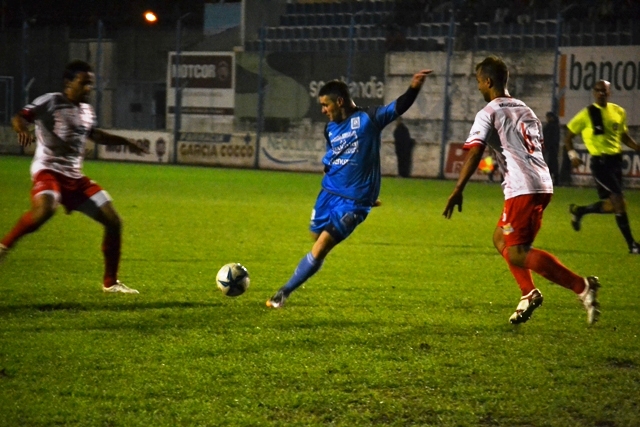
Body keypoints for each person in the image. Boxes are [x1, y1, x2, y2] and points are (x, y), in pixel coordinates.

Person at [442, 56, 600, 325]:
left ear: (488, 81)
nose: (478, 87)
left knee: (518, 251)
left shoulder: (488, 112)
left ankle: (582, 286)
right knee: (500, 238)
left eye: (478, 81)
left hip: (522, 188)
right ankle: (528, 292)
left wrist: (458, 189)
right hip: (542, 182)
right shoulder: (527, 110)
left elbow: (475, 151)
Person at [266, 69, 433, 308]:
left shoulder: (369, 119)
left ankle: (283, 293)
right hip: (328, 194)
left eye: (325, 105)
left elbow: (399, 106)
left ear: (339, 102)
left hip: (353, 204)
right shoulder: (330, 129)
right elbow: (334, 158)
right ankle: (298, 277)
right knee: (315, 235)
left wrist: (414, 87)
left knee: (321, 247)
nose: (323, 110)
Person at [0, 60, 148, 293]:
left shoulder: (87, 110)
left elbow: (95, 135)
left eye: (90, 84)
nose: (89, 88)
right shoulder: (51, 101)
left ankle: (110, 283)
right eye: (84, 83)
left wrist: (125, 141)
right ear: (69, 83)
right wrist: (23, 129)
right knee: (45, 210)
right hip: (48, 170)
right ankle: (3, 247)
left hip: (75, 178)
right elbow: (19, 117)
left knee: (114, 221)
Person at [564, 79, 640, 254]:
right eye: (598, 90)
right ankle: (632, 245)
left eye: (604, 91)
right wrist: (573, 156)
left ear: (609, 92)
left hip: (616, 162)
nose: (601, 93)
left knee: (615, 206)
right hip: (600, 163)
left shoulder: (618, 111)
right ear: (594, 92)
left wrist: (636, 147)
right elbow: (568, 138)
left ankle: (579, 211)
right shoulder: (587, 114)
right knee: (619, 202)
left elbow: (623, 136)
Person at [542, 111, 560, 185]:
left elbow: (546, 137)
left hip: (550, 148)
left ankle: (550, 179)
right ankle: (555, 179)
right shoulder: (556, 126)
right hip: (553, 148)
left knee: (550, 163)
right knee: (553, 164)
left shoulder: (550, 126)